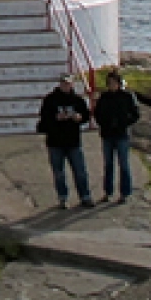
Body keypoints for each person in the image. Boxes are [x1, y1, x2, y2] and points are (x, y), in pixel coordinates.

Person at [34, 73, 94, 208]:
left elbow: (86, 116)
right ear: (59, 84)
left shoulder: (78, 100)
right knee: (59, 173)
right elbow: (44, 119)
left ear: (72, 84)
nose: (66, 86)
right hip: (55, 142)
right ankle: (63, 198)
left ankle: (85, 196)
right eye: (63, 83)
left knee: (80, 171)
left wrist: (79, 117)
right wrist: (56, 118)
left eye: (68, 83)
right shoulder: (50, 100)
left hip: (73, 141)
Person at [92, 68, 142, 202]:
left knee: (124, 165)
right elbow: (97, 114)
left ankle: (125, 193)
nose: (112, 85)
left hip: (122, 135)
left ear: (119, 83)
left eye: (114, 82)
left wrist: (124, 123)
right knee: (108, 165)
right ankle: (108, 192)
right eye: (109, 83)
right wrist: (103, 124)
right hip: (107, 135)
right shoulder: (104, 97)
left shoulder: (127, 96)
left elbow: (136, 114)